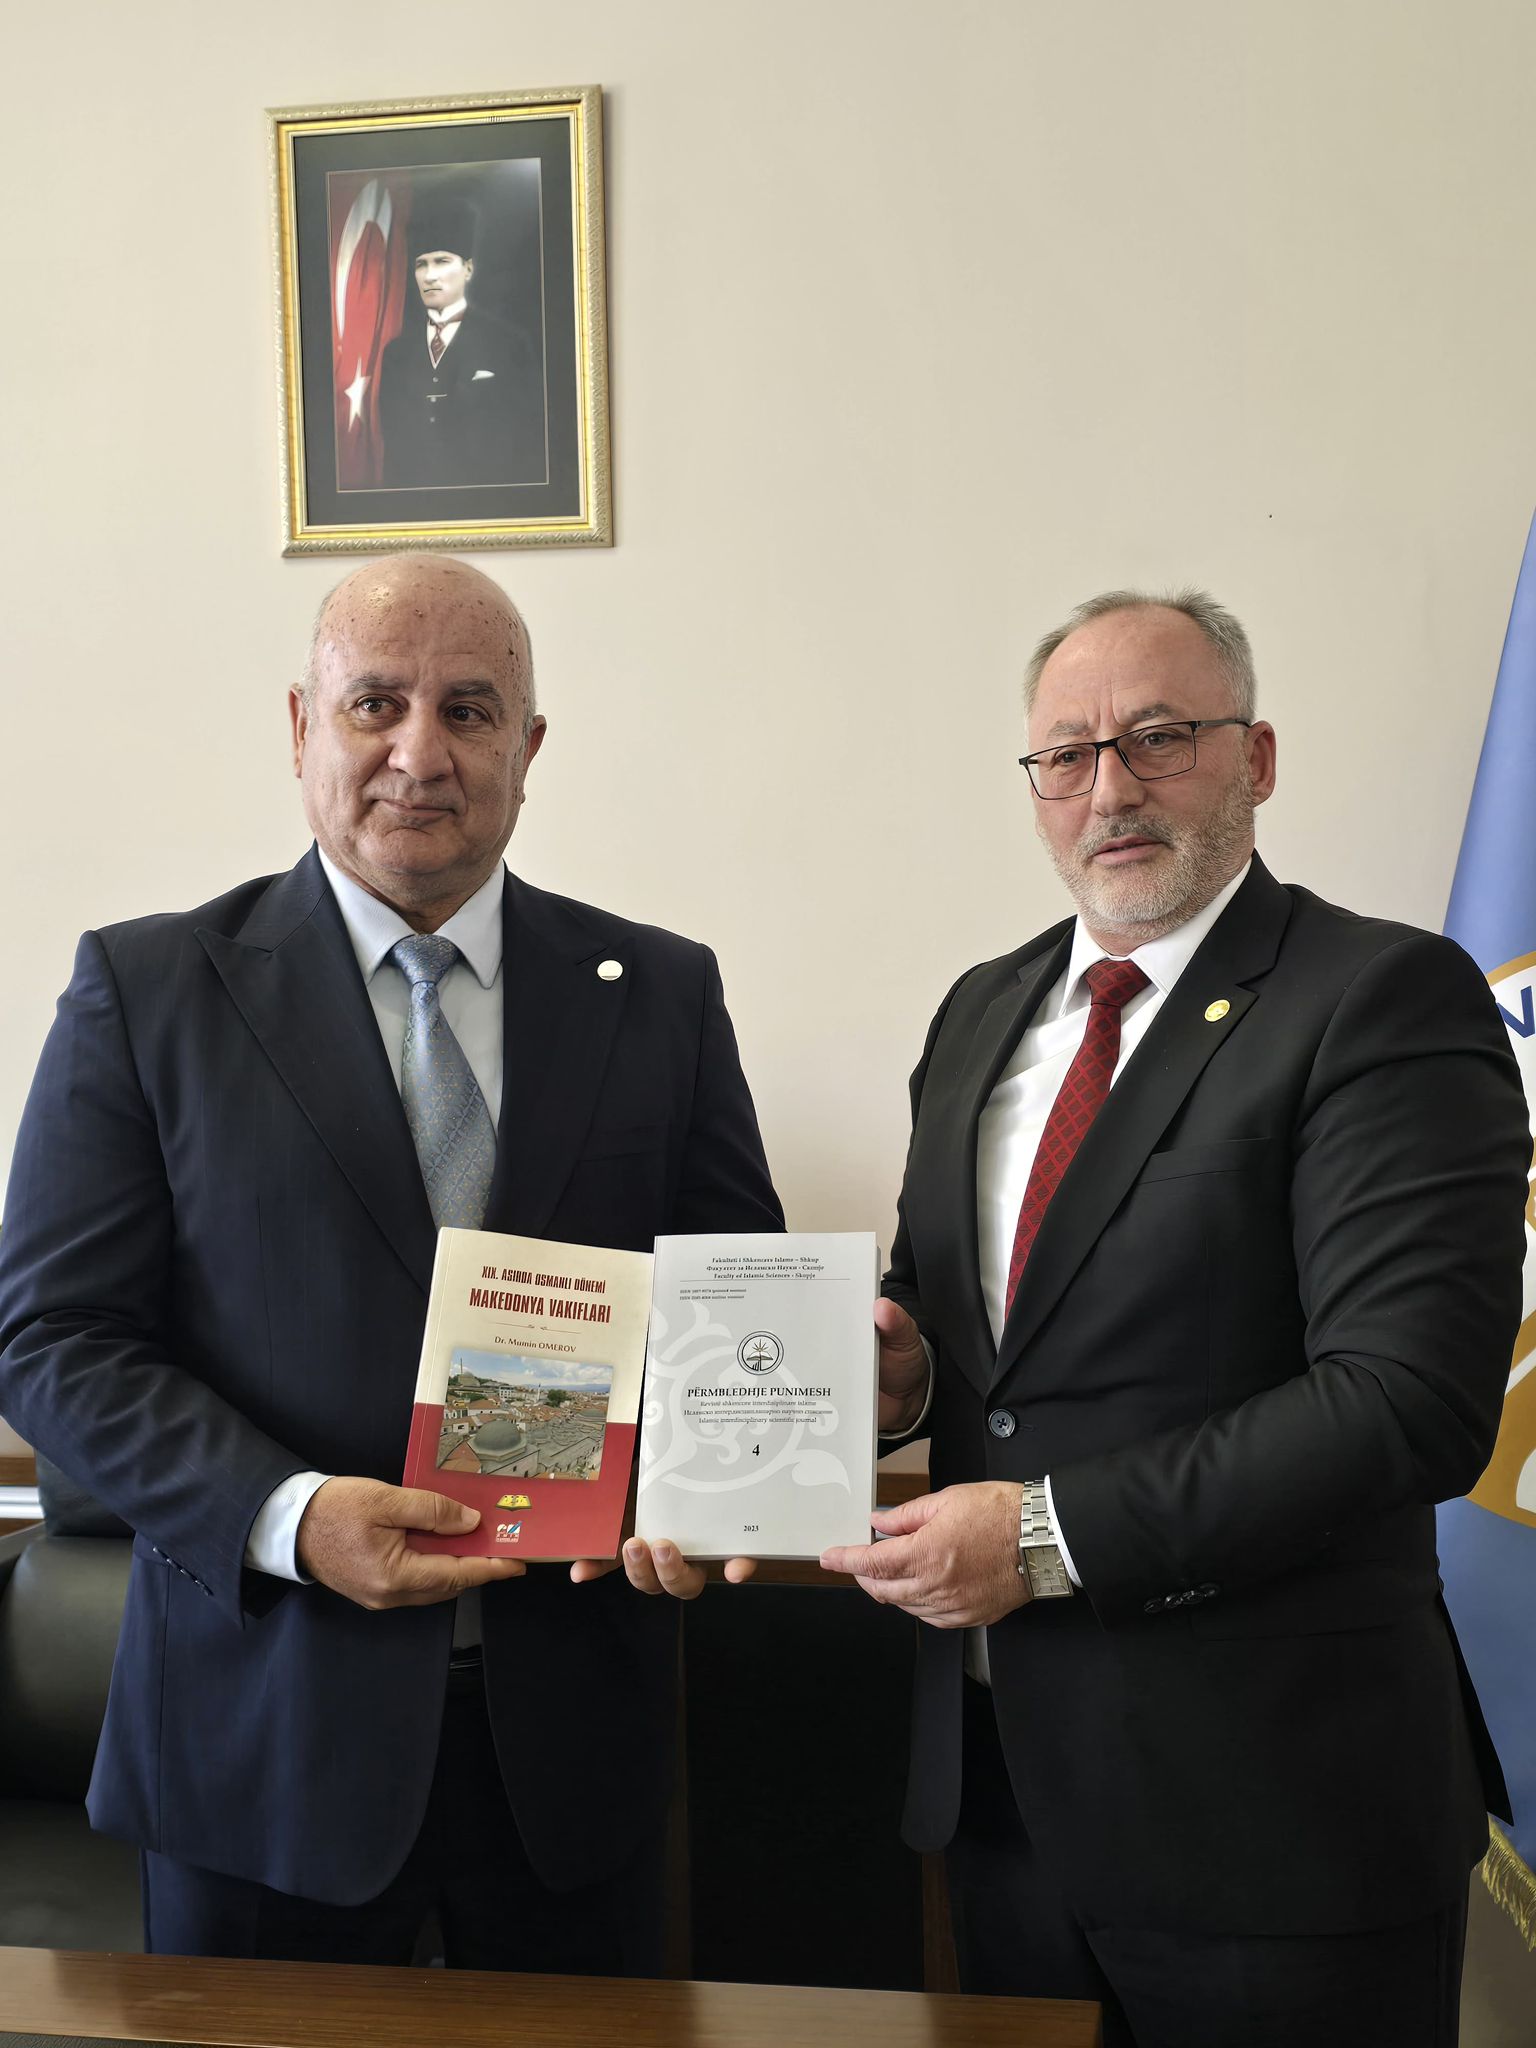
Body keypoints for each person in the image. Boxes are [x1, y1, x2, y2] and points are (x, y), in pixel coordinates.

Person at [0, 553, 782, 1970]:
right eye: (376, 703)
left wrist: (722, 1476)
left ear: (528, 748)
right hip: (261, 1739)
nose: (421, 753)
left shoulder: (659, 990)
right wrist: (289, 1516)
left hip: (574, 1746)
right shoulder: (150, 990)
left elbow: (732, 1305)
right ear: (301, 725)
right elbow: (53, 1341)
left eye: (469, 710)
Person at [821, 590, 1528, 2048]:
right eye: (1067, 754)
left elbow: (1408, 1401)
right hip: (1005, 1797)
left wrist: (1039, 1535)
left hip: (1280, 1818)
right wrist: (899, 1374)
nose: (1111, 789)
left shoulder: (1381, 997)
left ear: (1255, 759)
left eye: (1160, 738)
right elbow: (957, 1321)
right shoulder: (981, 1011)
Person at [377, 195, 545, 490]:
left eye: (442, 261)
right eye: (421, 264)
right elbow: (393, 443)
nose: (430, 276)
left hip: (489, 498)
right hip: (415, 503)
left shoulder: (509, 344)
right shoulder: (396, 353)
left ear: (468, 269)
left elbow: (528, 437)